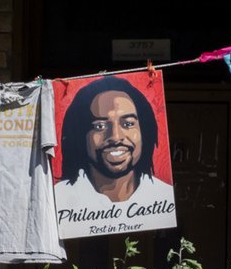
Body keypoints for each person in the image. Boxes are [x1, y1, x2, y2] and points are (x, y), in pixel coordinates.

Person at [55, 75, 174, 227]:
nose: (116, 137)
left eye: (128, 124)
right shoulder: (57, 199)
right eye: (100, 126)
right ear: (80, 135)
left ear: (144, 131)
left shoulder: (163, 196)